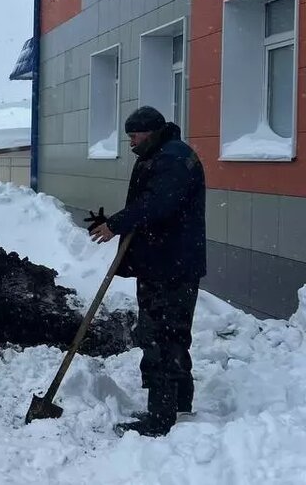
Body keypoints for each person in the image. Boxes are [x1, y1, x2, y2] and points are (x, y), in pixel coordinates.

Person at [85, 106, 206, 437]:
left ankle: (160, 417)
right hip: (171, 262)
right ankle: (178, 403)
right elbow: (153, 204)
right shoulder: (165, 154)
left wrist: (117, 224)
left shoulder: (171, 159)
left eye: (135, 136)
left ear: (151, 132)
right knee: (173, 334)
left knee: (160, 337)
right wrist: (117, 221)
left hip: (168, 265)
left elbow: (157, 204)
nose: (131, 142)